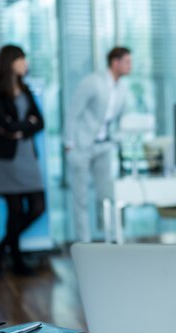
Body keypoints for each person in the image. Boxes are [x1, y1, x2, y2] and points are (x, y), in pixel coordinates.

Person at [0, 45, 46, 277]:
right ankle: (16, 261)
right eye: (21, 59)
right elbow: (4, 123)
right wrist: (24, 125)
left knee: (39, 207)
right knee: (15, 210)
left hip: (27, 155)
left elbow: (40, 122)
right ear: (10, 62)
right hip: (6, 159)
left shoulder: (26, 88)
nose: (25, 64)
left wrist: (19, 128)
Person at [65, 47, 133, 243]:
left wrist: (116, 138)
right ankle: (84, 245)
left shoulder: (122, 88)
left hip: (103, 147)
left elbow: (122, 118)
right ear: (115, 62)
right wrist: (69, 143)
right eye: (127, 61)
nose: (130, 65)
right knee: (81, 199)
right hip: (81, 146)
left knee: (105, 196)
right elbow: (73, 112)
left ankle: (108, 240)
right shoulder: (92, 83)